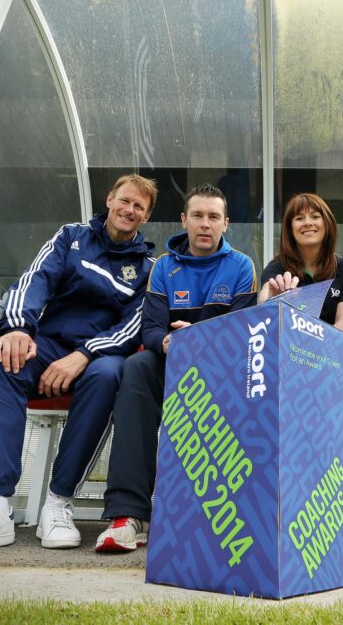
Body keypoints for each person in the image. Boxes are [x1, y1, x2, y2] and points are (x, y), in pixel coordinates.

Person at [0, 174, 157, 555]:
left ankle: (59, 502)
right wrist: (17, 328)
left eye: (139, 207)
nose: (129, 209)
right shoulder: (71, 236)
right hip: (49, 345)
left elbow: (132, 326)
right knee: (3, 361)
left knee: (110, 374)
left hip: (97, 356)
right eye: (124, 200)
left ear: (146, 217)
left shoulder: (148, 267)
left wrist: (83, 354)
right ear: (110, 200)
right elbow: (35, 280)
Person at [95, 183, 257, 552]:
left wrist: (199, 338)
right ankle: (128, 515)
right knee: (137, 366)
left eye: (213, 217)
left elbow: (244, 331)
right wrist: (168, 342)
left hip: (223, 369)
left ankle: (235, 513)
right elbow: (151, 328)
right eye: (197, 215)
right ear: (184, 220)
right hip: (171, 361)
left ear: (226, 223)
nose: (205, 224)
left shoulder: (242, 266)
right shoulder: (165, 267)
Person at [257, 192, 343, 334]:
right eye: (299, 218)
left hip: (331, 345)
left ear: (327, 223)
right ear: (290, 229)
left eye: (315, 216)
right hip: (289, 345)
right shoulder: (276, 269)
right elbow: (264, 302)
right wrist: (270, 300)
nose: (308, 223)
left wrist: (319, 346)